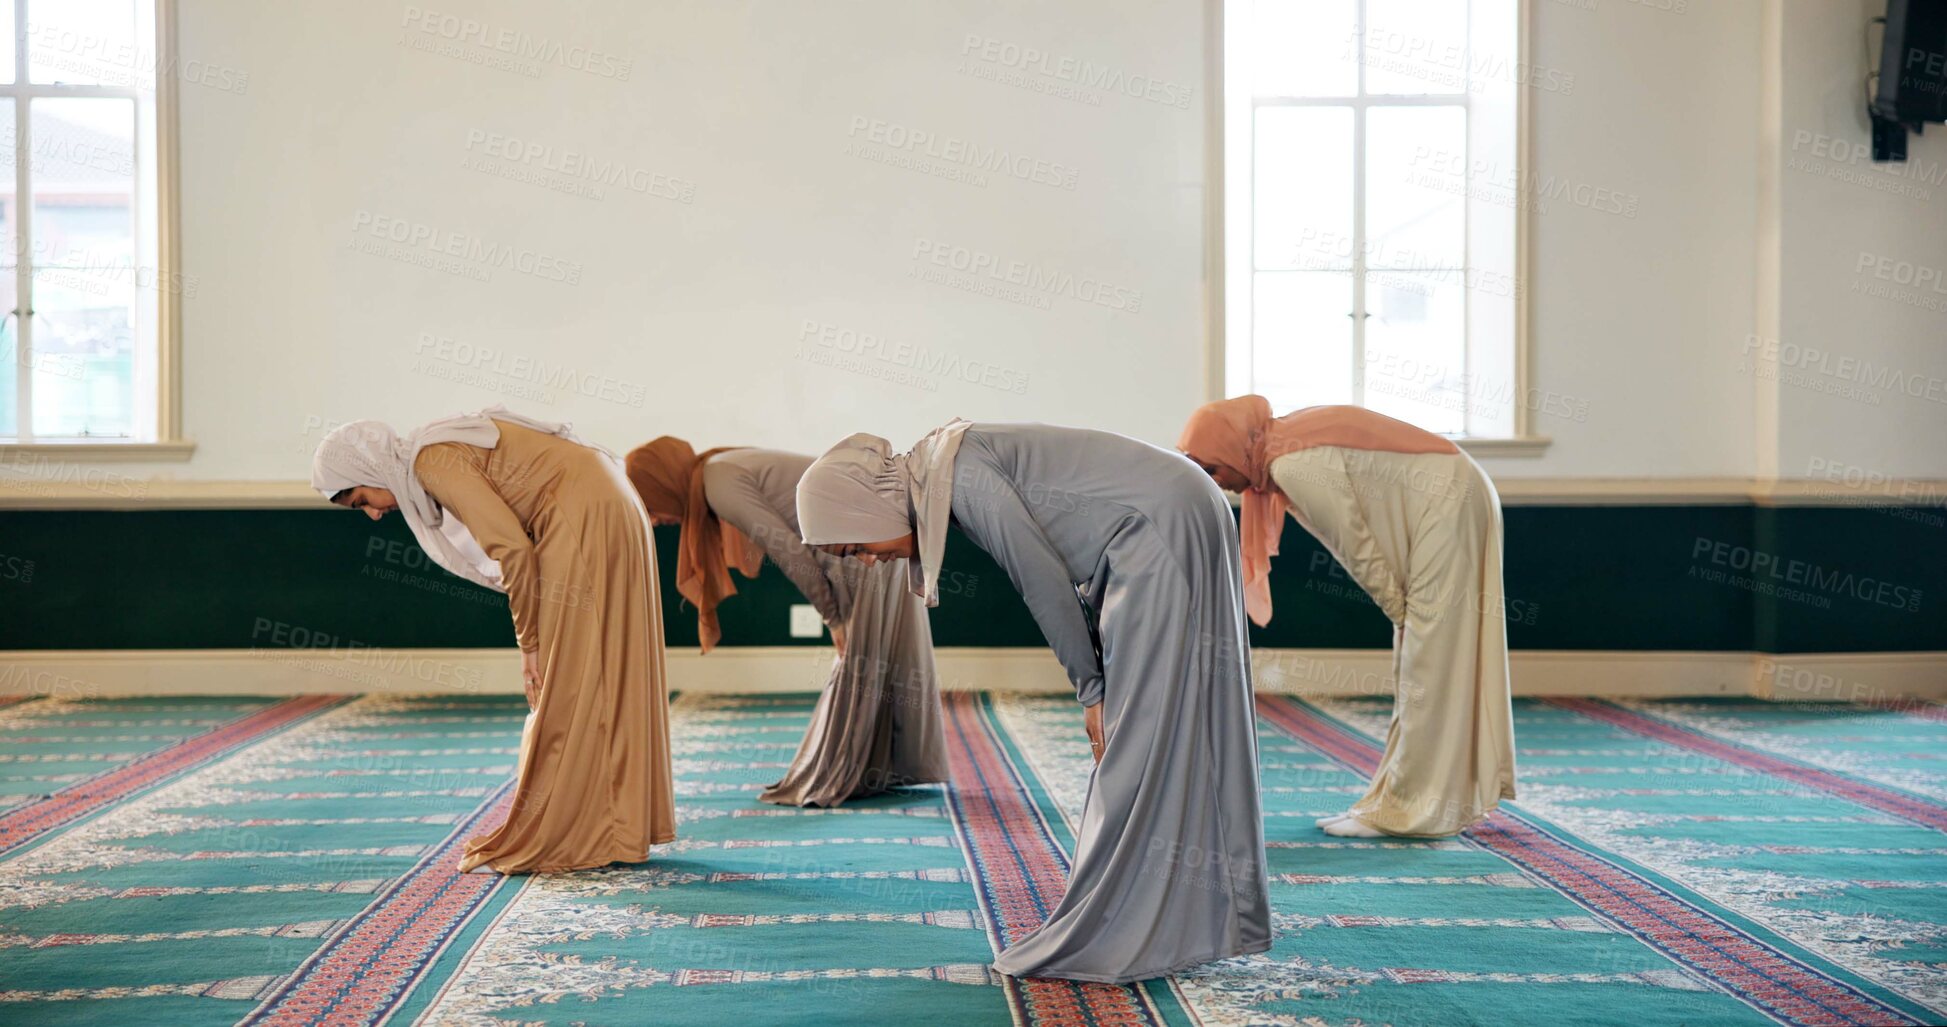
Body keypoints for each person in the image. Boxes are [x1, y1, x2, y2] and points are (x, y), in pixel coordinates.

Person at [795, 420, 1271, 984]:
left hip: (1160, 524)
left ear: (863, 508)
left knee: (1135, 735)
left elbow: (1042, 580)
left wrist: (1091, 689)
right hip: (1170, 513)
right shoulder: (945, 464)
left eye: (857, 547)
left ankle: (1129, 924)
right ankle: (1198, 917)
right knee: (1173, 722)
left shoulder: (962, 474)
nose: (870, 561)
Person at [311, 406, 674, 872]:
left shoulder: (430, 460)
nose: (375, 514)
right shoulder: (435, 448)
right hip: (608, 506)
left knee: (564, 682)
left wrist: (530, 645)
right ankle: (617, 829)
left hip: (584, 517)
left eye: (362, 499)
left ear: (368, 469)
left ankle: (580, 832)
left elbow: (513, 550)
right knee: (608, 670)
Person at [1178, 396, 1515, 838]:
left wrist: (1398, 608)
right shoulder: (1282, 450)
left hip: (1449, 502)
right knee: (1423, 661)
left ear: (1231, 449)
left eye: (1212, 468)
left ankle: (1412, 811)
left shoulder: (1292, 463)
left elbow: (1354, 546)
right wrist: (1403, 612)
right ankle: (1399, 800)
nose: (1216, 482)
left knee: (1429, 662)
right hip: (1451, 497)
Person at [624, 437, 947, 807]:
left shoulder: (718, 481)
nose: (654, 519)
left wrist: (834, 619)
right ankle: (879, 772)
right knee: (876, 662)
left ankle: (847, 774)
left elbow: (789, 551)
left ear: (663, 482)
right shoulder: (720, 467)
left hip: (860, 551)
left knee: (860, 663)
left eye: (649, 504)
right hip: (868, 537)